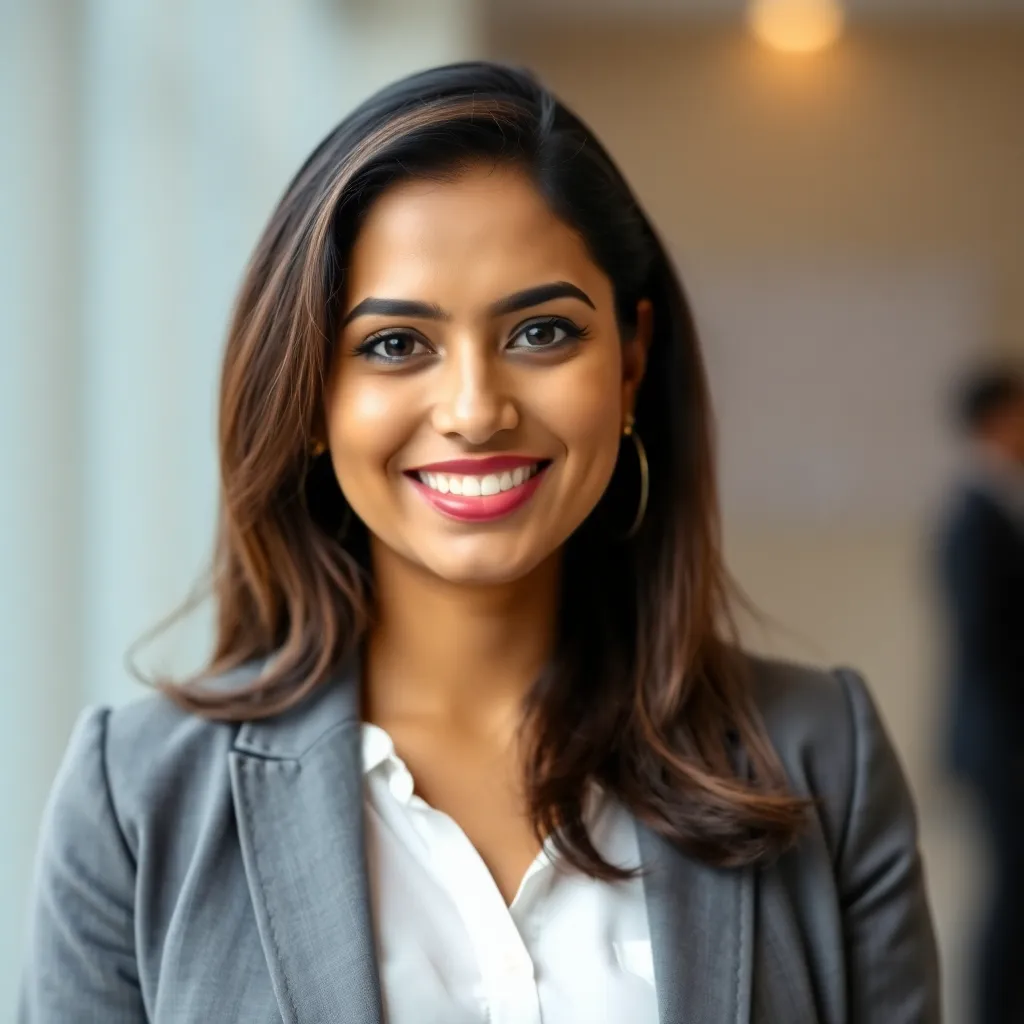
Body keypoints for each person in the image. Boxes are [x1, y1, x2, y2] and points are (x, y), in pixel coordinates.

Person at [20, 62, 940, 1023]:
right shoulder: (133, 800)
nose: (474, 411)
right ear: (310, 395)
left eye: (542, 332)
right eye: (393, 345)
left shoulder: (822, 756)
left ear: (630, 361)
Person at [938, 365, 1024, 1024]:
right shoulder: (973, 517)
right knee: (1012, 890)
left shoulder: (1000, 507)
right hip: (1003, 740)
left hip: (1004, 735)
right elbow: (986, 641)